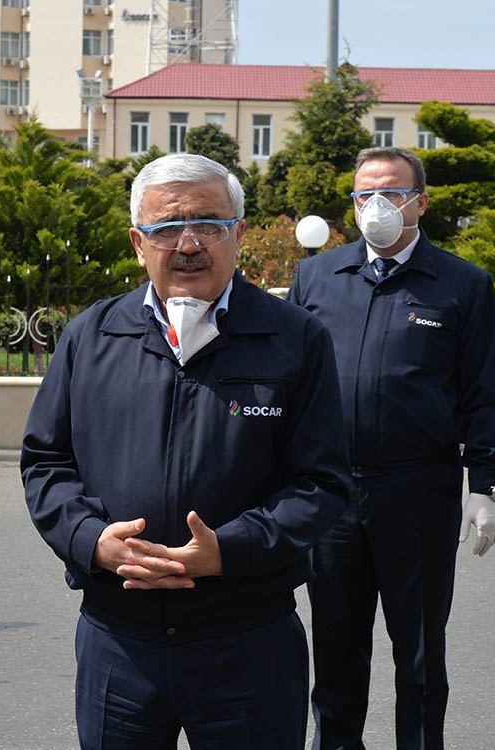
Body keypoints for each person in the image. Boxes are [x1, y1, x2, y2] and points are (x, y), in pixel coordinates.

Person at [22, 153, 353, 750]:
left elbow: (323, 483)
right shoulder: (91, 337)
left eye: (210, 223)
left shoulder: (296, 339)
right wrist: (91, 541)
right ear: (137, 242)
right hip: (119, 642)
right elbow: (46, 464)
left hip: (247, 639)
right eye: (166, 228)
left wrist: (227, 551)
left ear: (240, 235)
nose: (189, 242)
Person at [287, 146, 495, 750]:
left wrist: (484, 486)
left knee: (417, 652)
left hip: (418, 493)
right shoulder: (317, 278)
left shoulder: (461, 285)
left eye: (391, 193)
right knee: (335, 649)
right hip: (332, 495)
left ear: (420, 201)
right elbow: (286, 385)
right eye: (365, 194)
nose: (377, 206)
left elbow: (485, 394)